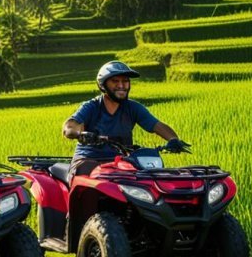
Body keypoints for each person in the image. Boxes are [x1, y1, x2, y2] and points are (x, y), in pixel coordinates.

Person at [62, 61, 190, 180]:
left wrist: (173, 140)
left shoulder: (133, 108)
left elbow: (157, 125)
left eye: (125, 81)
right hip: (88, 159)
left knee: (147, 181)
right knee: (87, 180)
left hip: (120, 162)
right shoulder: (91, 107)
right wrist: (79, 134)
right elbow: (69, 126)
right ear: (102, 85)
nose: (121, 85)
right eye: (115, 81)